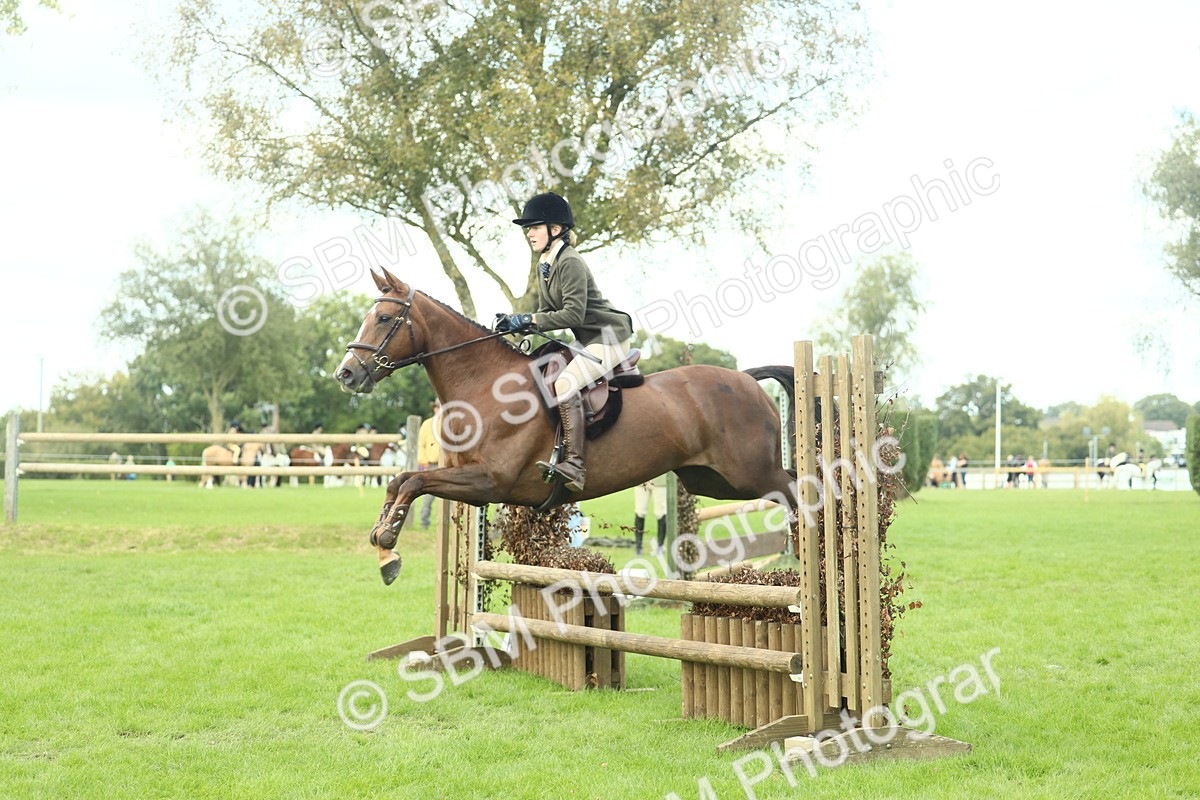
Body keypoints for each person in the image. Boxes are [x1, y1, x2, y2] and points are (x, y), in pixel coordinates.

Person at [493, 192, 634, 493]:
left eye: (534, 226)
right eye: (527, 228)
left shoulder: (570, 262)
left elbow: (572, 313)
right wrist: (517, 321)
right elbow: (547, 313)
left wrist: (530, 320)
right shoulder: (546, 263)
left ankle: (575, 464)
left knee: (566, 383)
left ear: (555, 230)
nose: (528, 233)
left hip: (609, 337)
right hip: (589, 339)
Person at [417, 401, 442, 529]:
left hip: (448, 466)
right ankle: (424, 523)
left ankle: (452, 523)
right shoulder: (427, 424)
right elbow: (421, 444)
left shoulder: (450, 423)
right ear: (434, 409)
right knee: (427, 498)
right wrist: (424, 462)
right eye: (438, 407)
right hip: (431, 465)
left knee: (453, 500)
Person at [633, 474, 669, 555]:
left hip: (660, 480)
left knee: (661, 513)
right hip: (641, 481)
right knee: (639, 511)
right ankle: (638, 547)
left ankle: (660, 546)